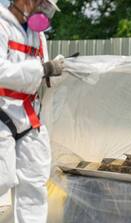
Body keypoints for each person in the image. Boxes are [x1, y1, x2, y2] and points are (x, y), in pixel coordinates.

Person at [0, 0, 63, 222]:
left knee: (34, 184)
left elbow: (42, 75)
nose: (42, 10)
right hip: (2, 111)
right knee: (2, 179)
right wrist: (42, 69)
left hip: (29, 117)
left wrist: (54, 71)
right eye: (41, 3)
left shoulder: (38, 36)